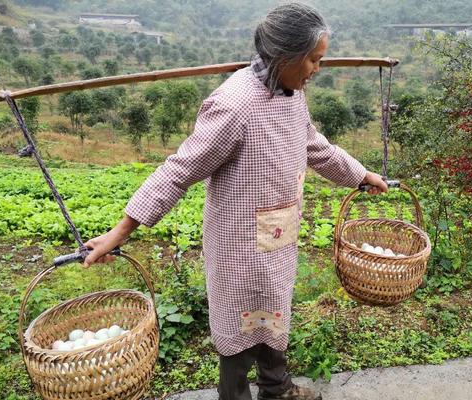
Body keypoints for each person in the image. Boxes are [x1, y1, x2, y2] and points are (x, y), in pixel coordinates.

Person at [84, 3, 387, 399]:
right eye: (314, 60)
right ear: (285, 56)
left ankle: (276, 389)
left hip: (279, 235)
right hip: (239, 246)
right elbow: (180, 170)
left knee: (274, 312)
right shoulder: (235, 106)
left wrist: (360, 175)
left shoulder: (292, 92)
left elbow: (314, 145)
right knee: (240, 329)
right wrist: (119, 232)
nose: (318, 69)